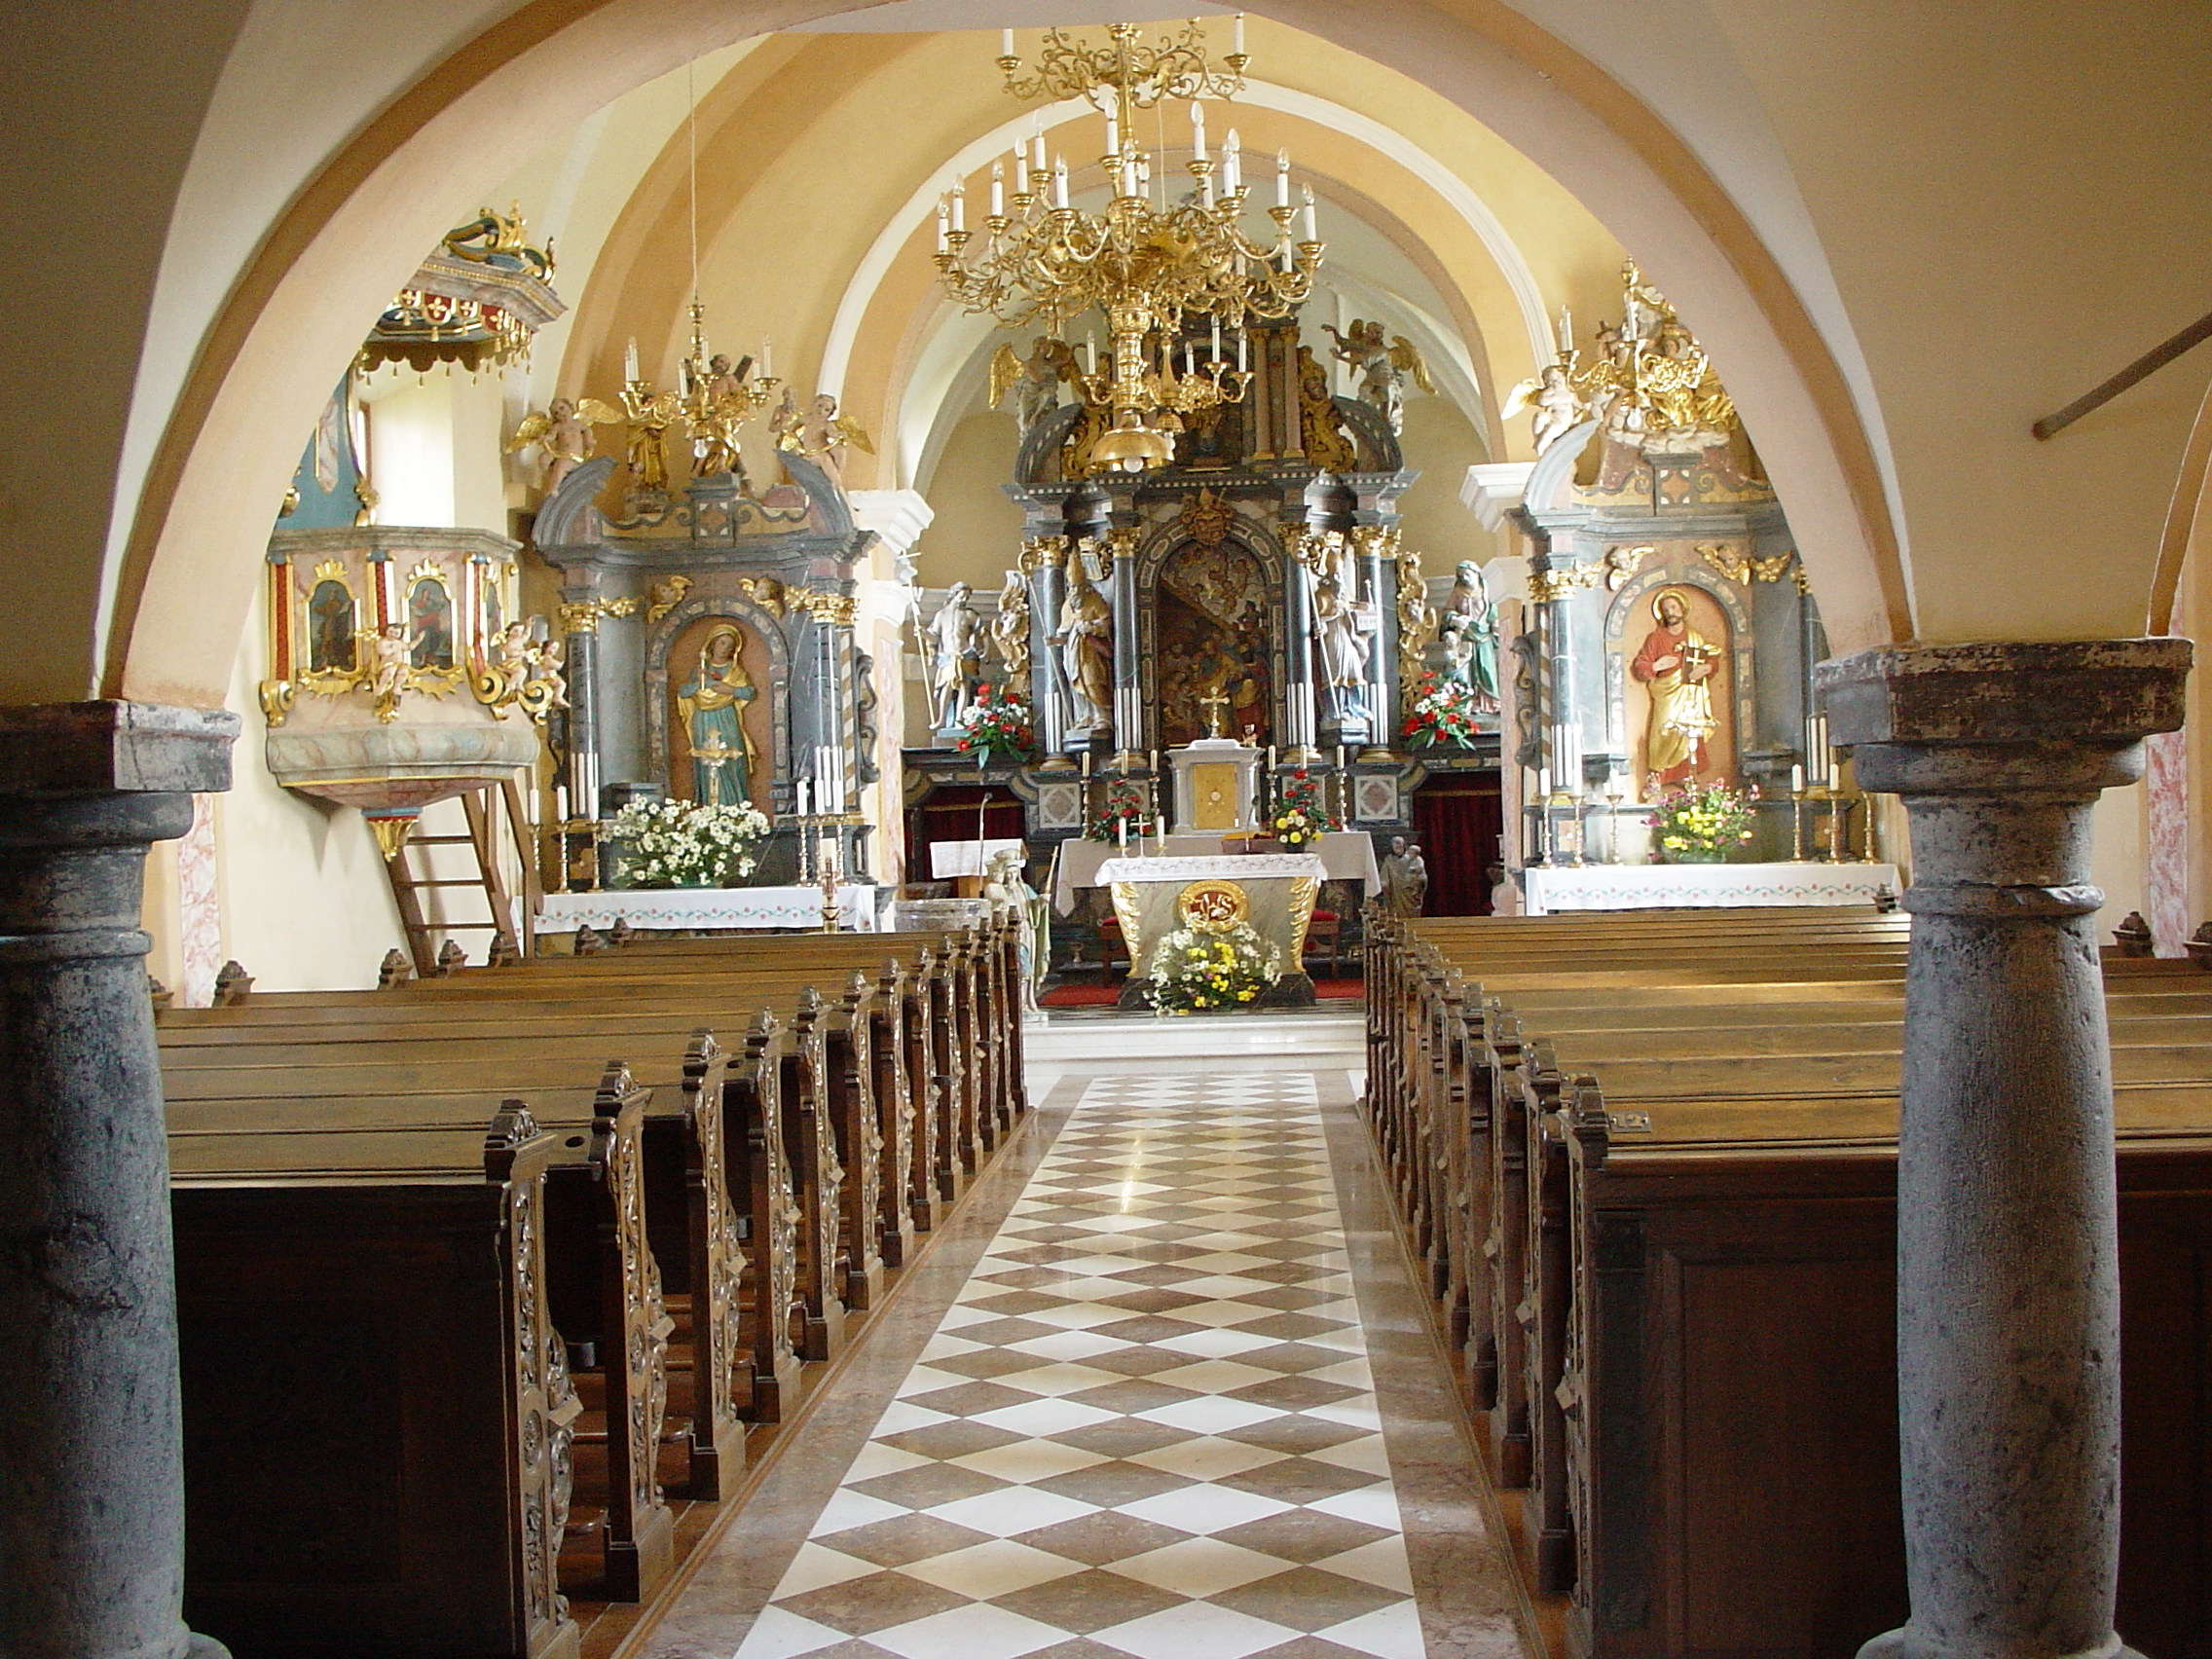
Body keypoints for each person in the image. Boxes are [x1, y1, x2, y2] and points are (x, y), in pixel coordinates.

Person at [1630, 587, 1719, 793]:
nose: (1670, 612)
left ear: (1682, 609)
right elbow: (1641, 665)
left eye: (1673, 607)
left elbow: (1710, 660)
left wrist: (1707, 668)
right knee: (1664, 730)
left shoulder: (1695, 637)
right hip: (1667, 693)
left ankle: (1687, 775)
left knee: (1690, 731)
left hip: (1691, 694)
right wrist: (1656, 666)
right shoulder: (1656, 638)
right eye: (1666, 609)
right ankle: (1658, 776)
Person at [677, 623, 758, 806]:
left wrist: (731, 690)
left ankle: (736, 805)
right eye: (722, 643)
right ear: (712, 643)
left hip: (726, 718)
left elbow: (749, 693)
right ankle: (709, 805)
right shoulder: (700, 670)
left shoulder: (735, 671)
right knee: (707, 760)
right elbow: (683, 692)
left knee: (732, 758)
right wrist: (700, 683)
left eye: (730, 645)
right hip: (704, 719)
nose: (725, 648)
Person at [927, 582, 983, 729]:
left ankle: (960, 719)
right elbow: (934, 637)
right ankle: (942, 719)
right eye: (961, 596)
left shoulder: (970, 615)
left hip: (966, 654)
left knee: (965, 685)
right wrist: (922, 634)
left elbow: (981, 635)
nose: (963, 600)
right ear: (954, 594)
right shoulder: (941, 615)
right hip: (948, 655)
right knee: (947, 686)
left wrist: (980, 645)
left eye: (966, 598)